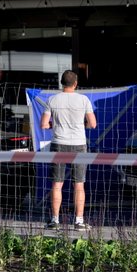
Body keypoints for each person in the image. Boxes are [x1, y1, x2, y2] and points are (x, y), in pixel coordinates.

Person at [41, 70, 97, 230]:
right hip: (79, 144)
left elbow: (44, 125)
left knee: (57, 184)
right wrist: (82, 125)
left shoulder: (52, 100)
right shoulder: (83, 99)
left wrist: (55, 125)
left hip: (59, 144)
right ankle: (79, 221)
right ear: (75, 83)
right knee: (79, 184)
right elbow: (93, 124)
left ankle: (55, 220)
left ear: (61, 83)